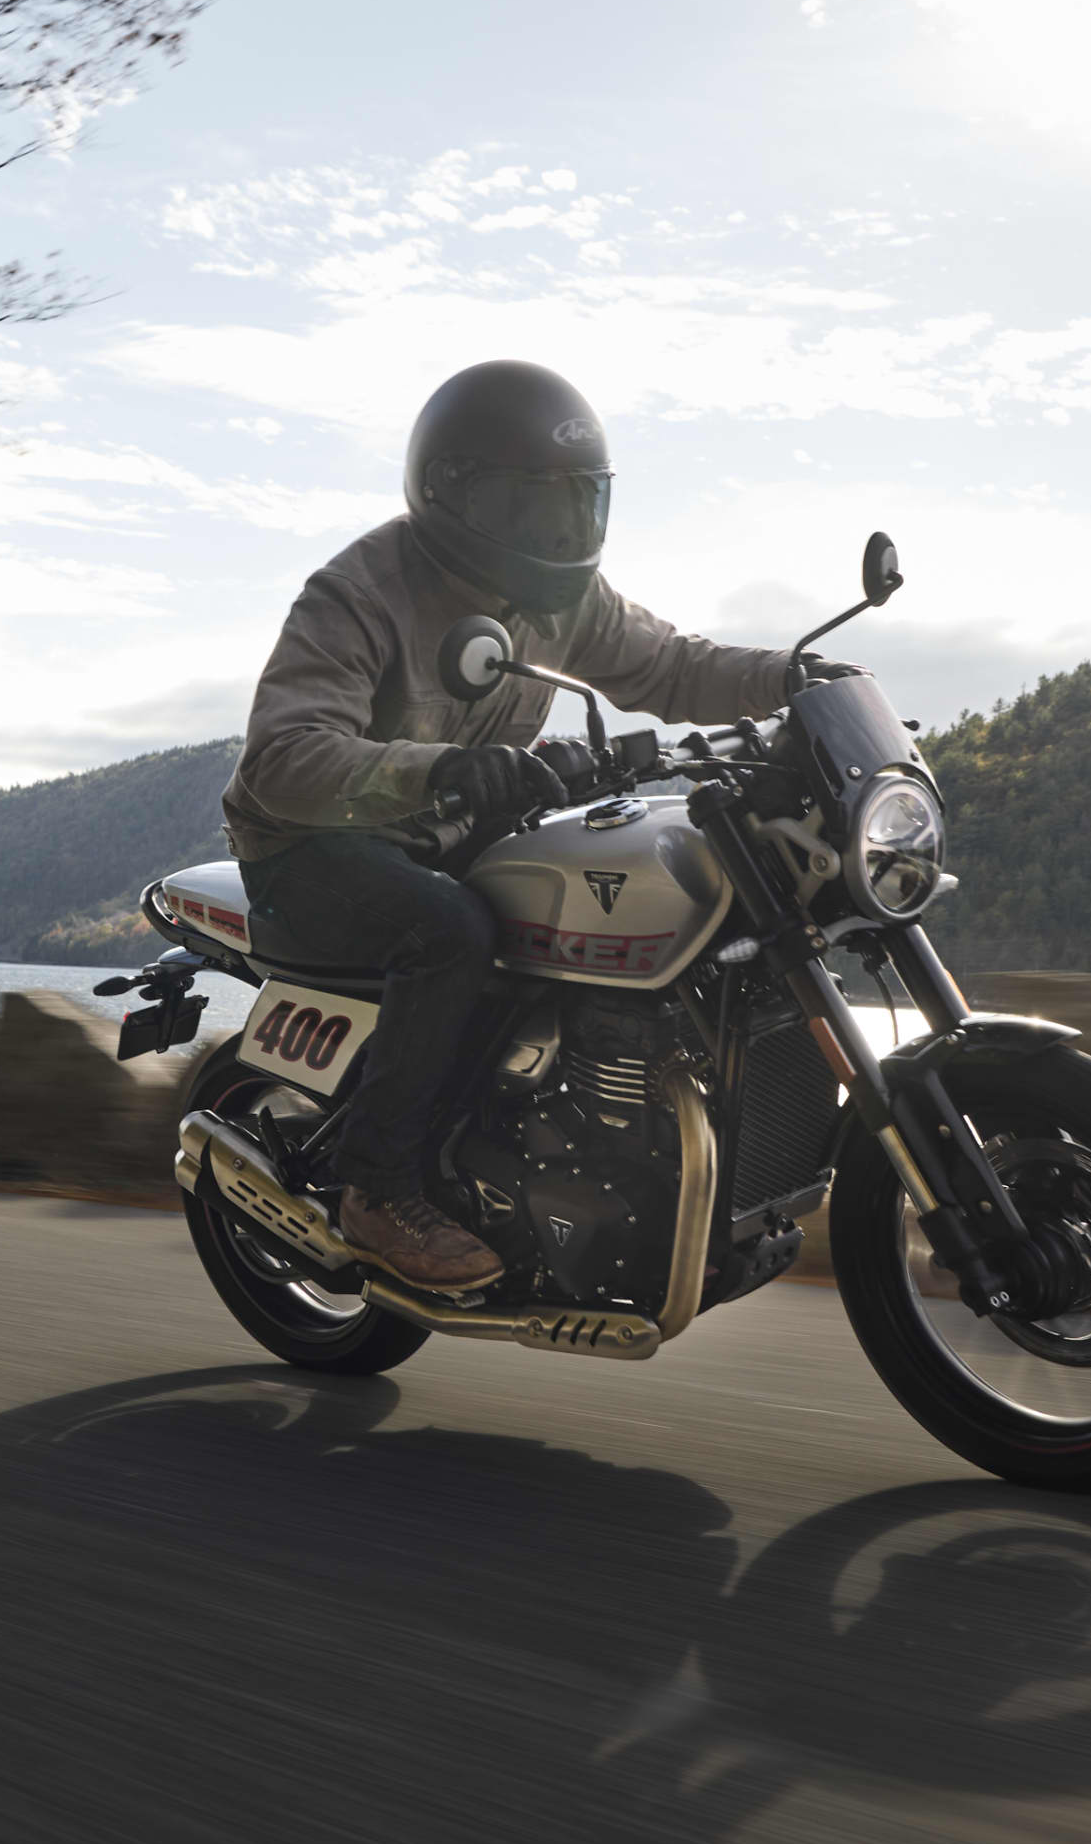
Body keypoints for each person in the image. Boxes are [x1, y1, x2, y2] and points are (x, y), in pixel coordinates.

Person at [222, 360, 804, 1292]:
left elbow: (670, 667)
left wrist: (797, 678)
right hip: (308, 846)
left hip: (448, 838)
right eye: (536, 507)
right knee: (451, 933)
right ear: (456, 495)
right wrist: (444, 771)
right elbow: (281, 760)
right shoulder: (359, 593)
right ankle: (377, 1190)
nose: (560, 532)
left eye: (578, 504)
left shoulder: (562, 599)